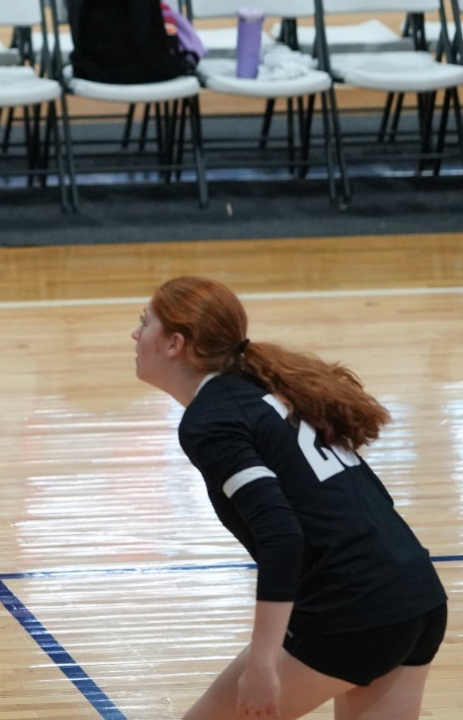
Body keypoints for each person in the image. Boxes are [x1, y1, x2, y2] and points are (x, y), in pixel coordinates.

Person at [133, 276, 445, 719]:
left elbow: (282, 535)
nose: (135, 333)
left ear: (174, 344)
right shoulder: (264, 391)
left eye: (145, 323)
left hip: (353, 611)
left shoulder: (211, 420)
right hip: (415, 594)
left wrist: (263, 663)